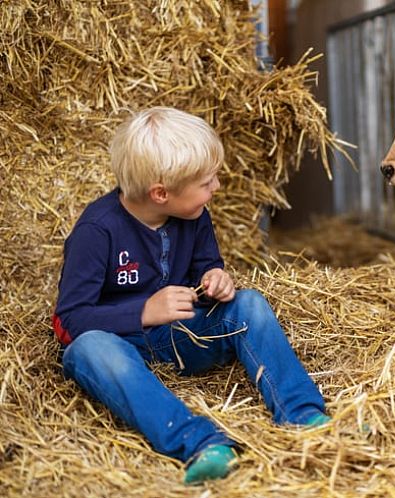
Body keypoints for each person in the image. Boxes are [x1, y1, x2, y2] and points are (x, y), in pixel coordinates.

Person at [52, 106, 330, 485]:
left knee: (248, 303)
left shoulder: (194, 214)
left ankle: (303, 416)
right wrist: (144, 311)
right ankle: (200, 444)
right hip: (119, 346)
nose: (216, 188)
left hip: (182, 337)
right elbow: (69, 321)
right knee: (87, 350)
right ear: (161, 193)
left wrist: (215, 278)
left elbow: (207, 264)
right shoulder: (97, 231)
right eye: (206, 182)